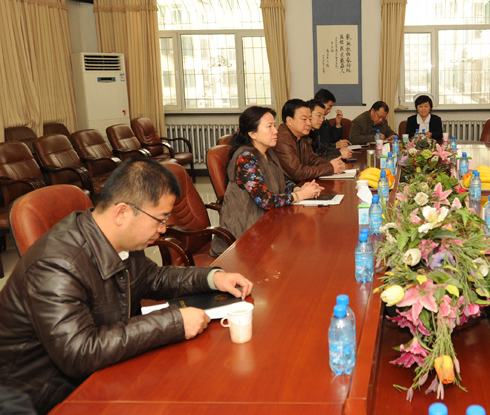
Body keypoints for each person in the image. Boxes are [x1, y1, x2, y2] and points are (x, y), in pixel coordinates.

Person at [0, 158, 253, 414]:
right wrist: (174, 322)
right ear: (122, 212)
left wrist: (212, 278)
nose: (164, 229)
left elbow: (152, 278)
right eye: (160, 219)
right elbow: (79, 352)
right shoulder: (56, 264)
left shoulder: (118, 239)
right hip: (41, 398)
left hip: (102, 371)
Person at [215, 106, 324, 252]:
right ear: (252, 134)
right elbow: (265, 200)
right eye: (269, 126)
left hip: (267, 222)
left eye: (274, 125)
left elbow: (281, 180)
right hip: (245, 233)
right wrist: (299, 196)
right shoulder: (246, 159)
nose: (275, 131)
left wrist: (298, 188)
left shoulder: (268, 153)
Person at [273, 98, 344, 182]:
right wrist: (330, 167)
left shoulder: (302, 137)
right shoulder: (282, 141)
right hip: (290, 187)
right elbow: (298, 173)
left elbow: (313, 160)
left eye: (310, 119)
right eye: (304, 119)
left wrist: (334, 165)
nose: (309, 123)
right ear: (289, 121)